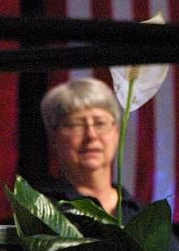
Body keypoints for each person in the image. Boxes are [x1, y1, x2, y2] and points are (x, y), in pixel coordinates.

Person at [38, 78, 143, 220]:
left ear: (117, 132)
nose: (91, 135)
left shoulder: (144, 215)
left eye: (100, 123)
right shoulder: (40, 212)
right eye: (76, 125)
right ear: (53, 137)